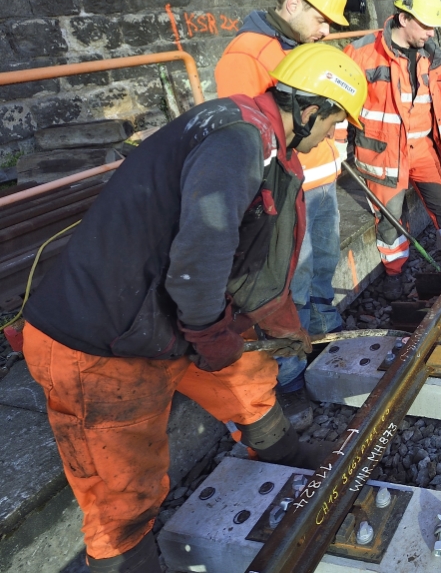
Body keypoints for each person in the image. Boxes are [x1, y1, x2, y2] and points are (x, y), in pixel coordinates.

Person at [20, 44, 368, 573]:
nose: (329, 138)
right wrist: (210, 336)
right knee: (124, 495)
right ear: (311, 110)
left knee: (249, 378)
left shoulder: (259, 137)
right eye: (334, 125)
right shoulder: (238, 140)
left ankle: (288, 464)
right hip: (103, 341)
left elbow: (251, 258)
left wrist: (274, 329)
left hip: (163, 315)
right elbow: (202, 250)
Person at [215, 0, 351, 391]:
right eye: (321, 19)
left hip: (322, 177)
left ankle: (322, 326)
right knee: (287, 276)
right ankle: (289, 367)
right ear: (292, 5)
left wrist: (340, 142)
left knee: (322, 260)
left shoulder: (304, 48)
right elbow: (246, 132)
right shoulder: (249, 56)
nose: (326, 30)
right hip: (286, 190)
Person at [345, 0, 441, 300]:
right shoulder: (361, 53)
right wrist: (336, 143)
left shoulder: (434, 57)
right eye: (426, 25)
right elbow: (339, 104)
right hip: (384, 153)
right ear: (404, 19)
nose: (432, 33)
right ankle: (394, 274)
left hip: (423, 151)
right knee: (389, 219)